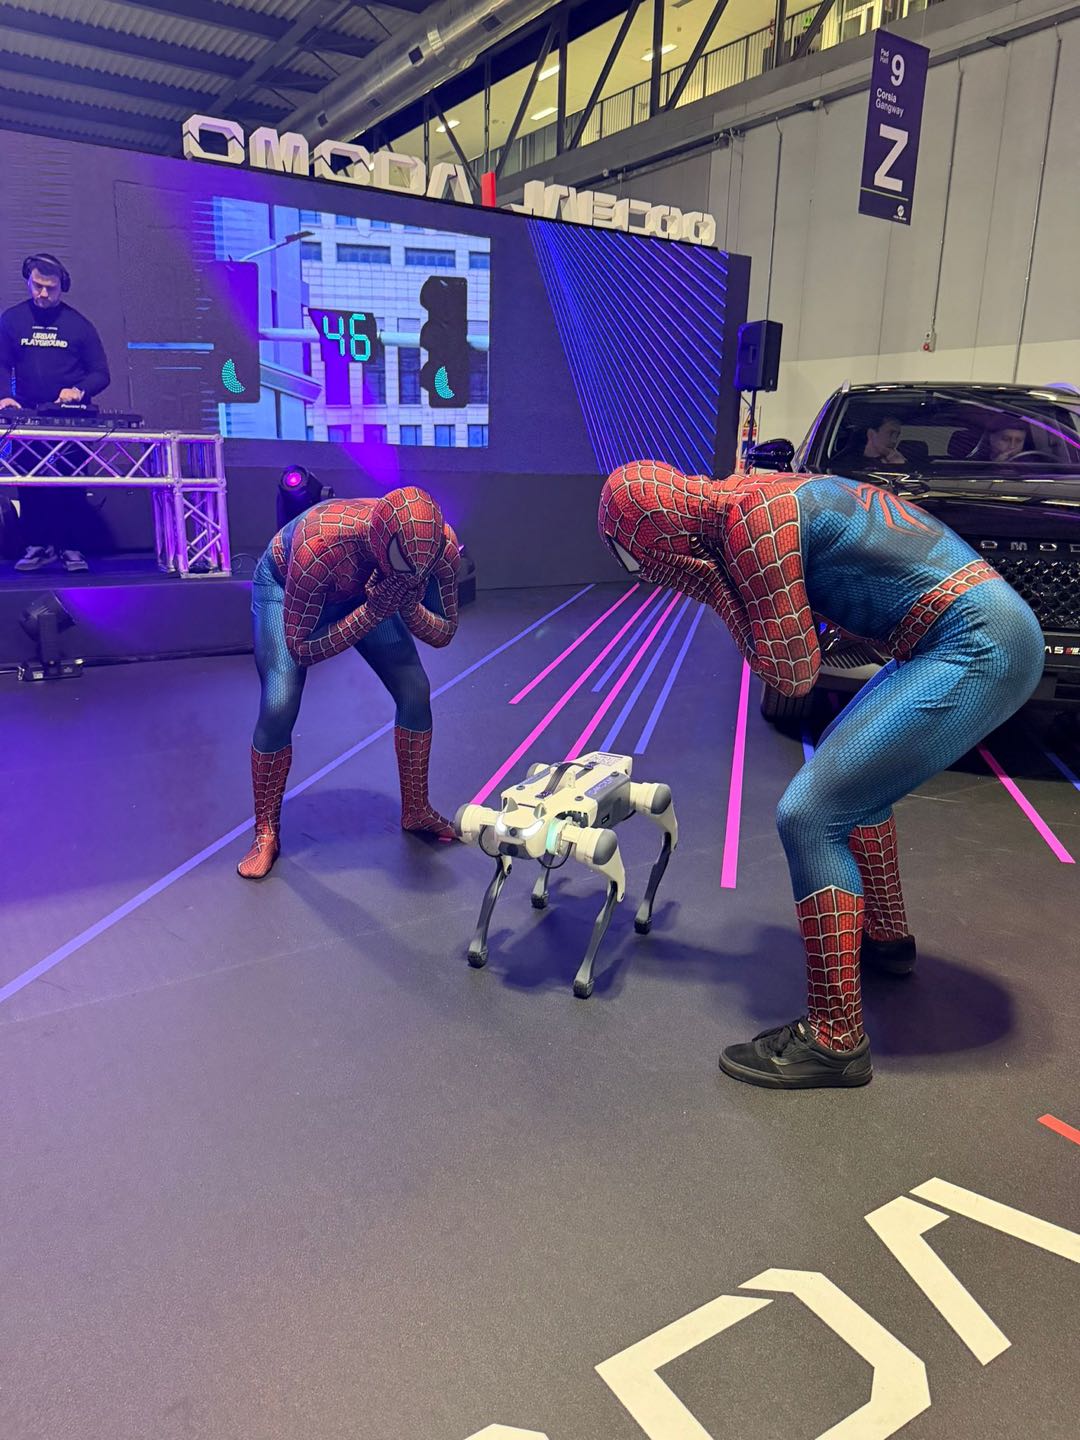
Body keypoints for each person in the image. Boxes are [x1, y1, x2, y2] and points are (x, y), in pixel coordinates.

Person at [599, 461, 1044, 1089]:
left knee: (810, 815)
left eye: (638, 555)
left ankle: (835, 1039)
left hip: (974, 643)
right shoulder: (757, 492)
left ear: (655, 535)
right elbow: (835, 630)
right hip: (965, 631)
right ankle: (886, 938)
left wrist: (711, 586)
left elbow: (791, 675)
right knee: (852, 784)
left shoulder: (750, 526)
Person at [238, 486, 460, 879]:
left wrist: (405, 602)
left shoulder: (439, 546)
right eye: (405, 566)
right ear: (381, 542)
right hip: (286, 586)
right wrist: (374, 610)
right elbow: (302, 648)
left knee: (414, 689)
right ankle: (265, 831)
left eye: (419, 571)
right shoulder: (319, 545)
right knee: (279, 701)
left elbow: (444, 633)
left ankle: (416, 808)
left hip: (365, 591)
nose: (413, 577)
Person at [0, 253, 110, 573]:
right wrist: (4, 396)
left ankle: (71, 547)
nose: (43, 294)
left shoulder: (78, 325)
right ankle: (37, 546)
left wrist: (79, 390)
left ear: (63, 286)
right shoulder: (12, 320)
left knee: (70, 483)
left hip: (69, 419)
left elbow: (101, 374)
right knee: (30, 482)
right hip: (26, 417)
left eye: (50, 288)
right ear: (28, 280)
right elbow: (1, 364)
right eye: (37, 286)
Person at [828, 411, 906, 473]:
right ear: (871, 434)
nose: (894, 440)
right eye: (890, 433)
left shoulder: (898, 459)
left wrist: (900, 466)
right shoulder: (847, 464)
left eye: (897, 435)